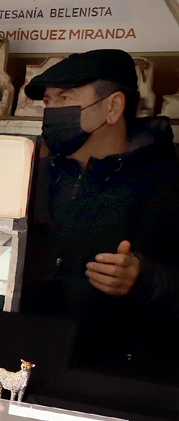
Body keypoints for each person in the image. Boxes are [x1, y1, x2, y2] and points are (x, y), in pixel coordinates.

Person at [23, 48, 179, 372]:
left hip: (120, 380)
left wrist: (144, 280)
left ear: (113, 107)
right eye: (48, 102)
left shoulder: (168, 186)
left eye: (65, 99)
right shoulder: (29, 178)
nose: (51, 112)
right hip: (29, 366)